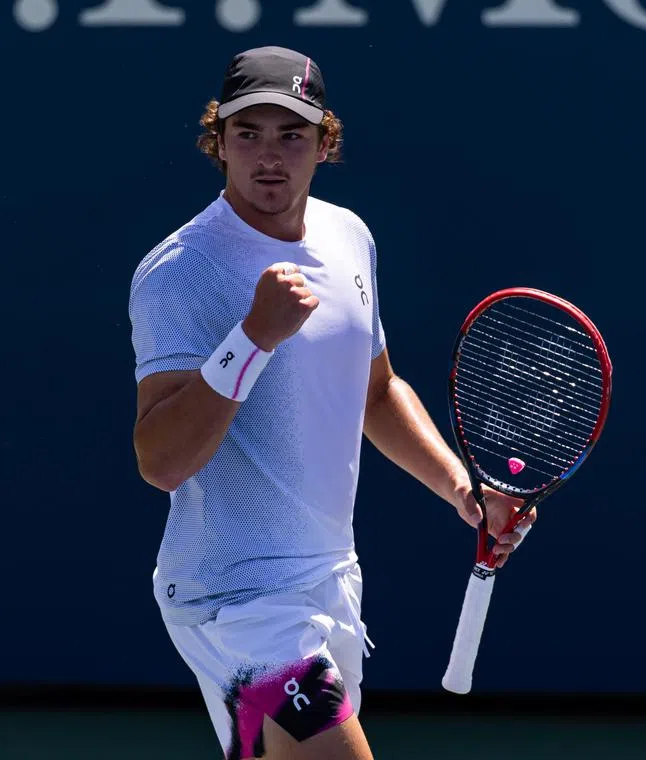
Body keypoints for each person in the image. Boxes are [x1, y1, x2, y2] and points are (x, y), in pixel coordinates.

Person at [128, 45, 535, 760]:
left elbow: (376, 391)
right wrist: (253, 337)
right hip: (237, 601)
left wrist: (464, 491)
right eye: (247, 134)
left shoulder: (349, 236)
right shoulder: (182, 271)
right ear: (217, 141)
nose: (269, 156)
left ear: (326, 143)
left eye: (292, 134)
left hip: (329, 582)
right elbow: (160, 461)